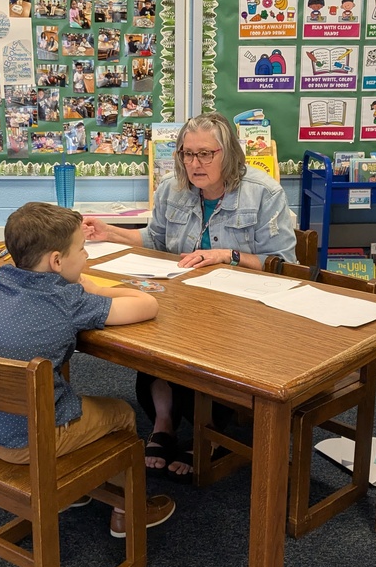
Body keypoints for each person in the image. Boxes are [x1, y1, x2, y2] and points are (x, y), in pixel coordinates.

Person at [83, 111, 296, 479]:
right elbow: (155, 241)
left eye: (205, 154)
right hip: (183, 298)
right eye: (186, 153)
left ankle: (208, 431)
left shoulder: (264, 193)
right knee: (146, 335)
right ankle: (164, 423)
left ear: (228, 153)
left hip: (241, 306)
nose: (194, 164)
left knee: (213, 349)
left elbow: (282, 264)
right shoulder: (172, 187)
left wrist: (226, 256)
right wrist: (111, 232)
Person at [0, 202, 175, 538]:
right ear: (57, 261)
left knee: (69, 394)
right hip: (28, 441)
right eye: (82, 249)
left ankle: (74, 487)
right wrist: (96, 288)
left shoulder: (2, 280)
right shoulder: (67, 300)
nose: (87, 257)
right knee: (121, 413)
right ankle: (127, 512)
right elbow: (148, 305)